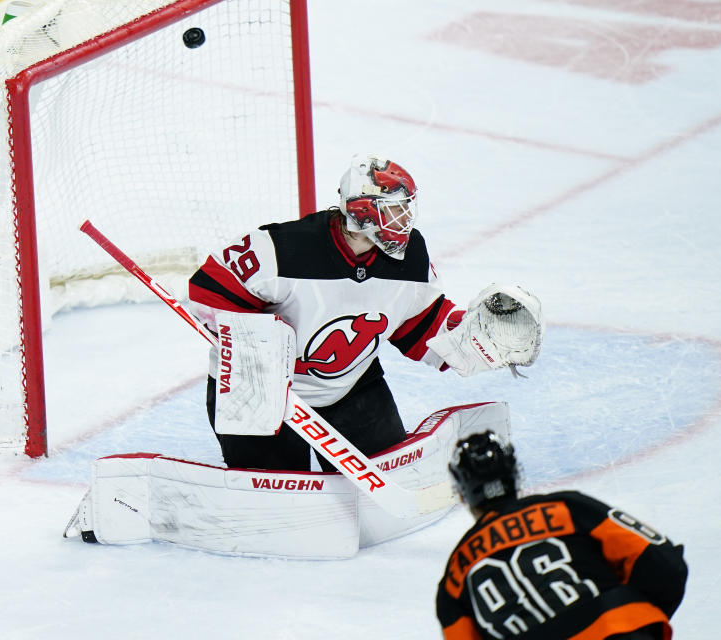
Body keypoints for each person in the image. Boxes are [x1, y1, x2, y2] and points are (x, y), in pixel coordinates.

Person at [187, 153, 542, 472]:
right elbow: (208, 288)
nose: (405, 219)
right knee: (273, 484)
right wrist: (260, 344)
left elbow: (420, 323)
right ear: (362, 210)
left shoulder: (411, 257)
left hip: (350, 386)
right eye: (394, 209)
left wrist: (468, 338)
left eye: (406, 208)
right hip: (258, 391)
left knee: (390, 470)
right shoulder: (284, 248)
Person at [436, 431, 688, 640]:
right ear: (516, 475)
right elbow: (665, 564)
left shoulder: (454, 576)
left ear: (462, 494)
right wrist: (633, 615)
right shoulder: (566, 509)